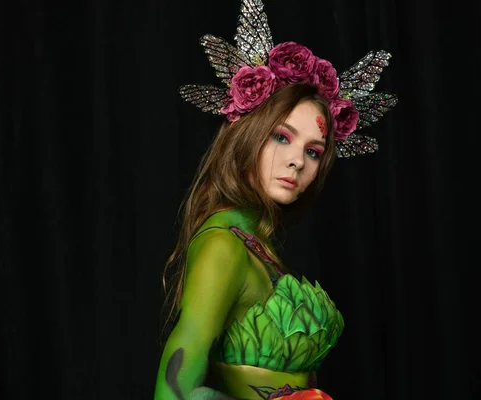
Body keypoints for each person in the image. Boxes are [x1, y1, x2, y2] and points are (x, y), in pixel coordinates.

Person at [154, 1, 397, 399]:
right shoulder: (222, 244)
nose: (296, 161)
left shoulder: (256, 241)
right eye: (281, 137)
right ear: (248, 135)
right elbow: (173, 391)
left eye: (314, 151)